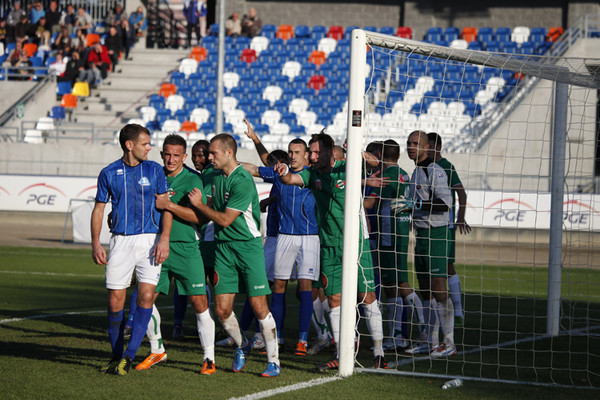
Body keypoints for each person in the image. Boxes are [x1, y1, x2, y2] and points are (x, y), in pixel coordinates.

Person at [274, 131, 388, 371]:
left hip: (356, 243)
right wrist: (283, 172)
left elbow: (374, 163)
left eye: (317, 152)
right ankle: (341, 353)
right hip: (328, 245)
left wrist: (358, 151)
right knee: (334, 300)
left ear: (329, 151)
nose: (313, 157)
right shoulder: (312, 174)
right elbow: (291, 179)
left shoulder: (348, 167)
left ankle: (379, 352)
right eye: (311, 153)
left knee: (367, 297)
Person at [187, 134, 281, 377]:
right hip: (223, 248)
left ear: (229, 153)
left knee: (259, 306)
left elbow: (226, 220)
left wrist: (199, 205)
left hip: (248, 248)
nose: (209, 157)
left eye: (213, 153)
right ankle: (242, 345)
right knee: (222, 310)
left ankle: (274, 361)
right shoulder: (213, 174)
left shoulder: (242, 181)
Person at [91, 123, 172, 376]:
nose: (149, 147)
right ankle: (116, 355)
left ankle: (129, 356)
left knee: (146, 297)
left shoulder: (155, 170)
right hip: (120, 241)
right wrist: (96, 243)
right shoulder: (108, 173)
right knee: (115, 300)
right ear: (129, 145)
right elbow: (99, 209)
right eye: (145, 143)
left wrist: (164, 239)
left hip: (150, 241)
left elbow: (166, 207)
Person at [133, 134, 216, 374]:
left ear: (184, 156)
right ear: (161, 154)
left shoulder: (192, 180)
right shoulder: (153, 175)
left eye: (176, 155)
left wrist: (169, 205)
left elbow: (200, 217)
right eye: (167, 155)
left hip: (186, 247)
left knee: (199, 303)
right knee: (144, 299)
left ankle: (209, 358)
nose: (171, 160)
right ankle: (157, 349)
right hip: (154, 246)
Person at [241, 120, 320, 357]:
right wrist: (230, 162)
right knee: (278, 287)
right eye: (290, 152)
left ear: (306, 155)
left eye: (297, 152)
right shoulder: (278, 172)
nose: (292, 156)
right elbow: (255, 168)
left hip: (309, 237)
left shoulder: (312, 174)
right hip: (284, 237)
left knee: (306, 288)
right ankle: (278, 337)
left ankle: (303, 340)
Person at [363, 140, 425, 351]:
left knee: (398, 286)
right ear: (398, 155)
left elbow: (369, 203)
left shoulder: (385, 176)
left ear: (380, 155)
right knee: (395, 285)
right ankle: (398, 335)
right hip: (401, 232)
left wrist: (348, 195)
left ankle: (421, 330)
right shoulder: (404, 174)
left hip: (388, 235)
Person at [402, 130, 456, 358]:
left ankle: (449, 342)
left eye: (415, 143)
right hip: (421, 235)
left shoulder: (434, 170)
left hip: (437, 234)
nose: (411, 147)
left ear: (426, 147)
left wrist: (415, 205)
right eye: (408, 143)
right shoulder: (415, 172)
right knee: (425, 290)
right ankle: (429, 340)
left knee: (438, 287)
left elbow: (444, 203)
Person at [427, 132, 471, 326]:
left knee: (447, 268)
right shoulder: (425, 168)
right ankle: (437, 314)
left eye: (429, 146)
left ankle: (458, 312)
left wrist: (460, 217)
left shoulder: (446, 167)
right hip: (427, 226)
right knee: (431, 271)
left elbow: (462, 193)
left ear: (438, 147)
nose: (426, 149)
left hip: (445, 227)